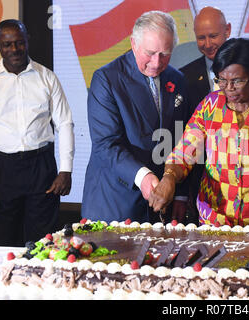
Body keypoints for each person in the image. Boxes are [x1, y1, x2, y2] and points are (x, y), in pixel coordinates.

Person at [149, 38, 249, 247]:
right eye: (222, 80)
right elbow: (184, 152)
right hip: (214, 224)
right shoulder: (210, 105)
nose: (229, 89)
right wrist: (169, 177)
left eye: (237, 81)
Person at [81, 11, 190, 223]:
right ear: (133, 43)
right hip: (115, 202)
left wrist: (179, 193)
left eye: (165, 54)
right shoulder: (107, 79)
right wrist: (143, 177)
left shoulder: (178, 80)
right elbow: (105, 145)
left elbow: (182, 140)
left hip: (162, 203)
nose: (157, 63)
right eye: (150, 53)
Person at [0, 19, 75, 246]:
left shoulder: (47, 77)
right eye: (7, 44)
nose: (14, 49)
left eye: (19, 43)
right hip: (3, 168)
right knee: (4, 241)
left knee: (44, 241)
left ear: (27, 41)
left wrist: (66, 171)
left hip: (41, 167)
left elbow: (65, 124)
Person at [179, 7, 249, 225]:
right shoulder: (185, 76)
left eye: (213, 36)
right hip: (203, 186)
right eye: (201, 37)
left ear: (227, 30)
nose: (208, 43)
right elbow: (184, 139)